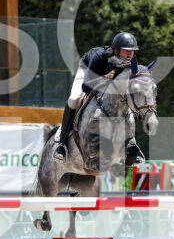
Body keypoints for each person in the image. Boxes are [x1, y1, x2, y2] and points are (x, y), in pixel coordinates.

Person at [53, 31, 144, 164]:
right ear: (116, 50)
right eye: (126, 51)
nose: (130, 54)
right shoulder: (99, 56)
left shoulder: (132, 62)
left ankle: (132, 146)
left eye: (132, 51)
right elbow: (86, 86)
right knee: (74, 99)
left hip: (105, 81)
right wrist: (103, 79)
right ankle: (61, 144)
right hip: (87, 72)